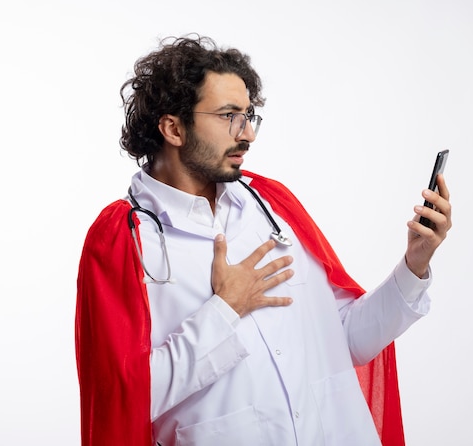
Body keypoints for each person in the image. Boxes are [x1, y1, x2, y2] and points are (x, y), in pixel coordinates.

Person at [75, 34, 452, 446]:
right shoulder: (126, 239)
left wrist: (414, 266)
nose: (248, 133)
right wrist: (224, 310)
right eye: (228, 116)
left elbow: (343, 340)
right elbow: (122, 399)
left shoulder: (272, 203)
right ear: (173, 128)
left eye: (249, 115)